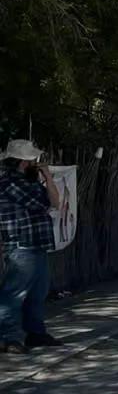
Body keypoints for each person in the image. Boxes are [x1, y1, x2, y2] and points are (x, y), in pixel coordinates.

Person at [0, 139, 61, 353]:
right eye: (33, 159)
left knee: (38, 291)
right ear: (24, 161)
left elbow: (55, 201)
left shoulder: (29, 180)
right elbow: (44, 203)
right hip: (20, 243)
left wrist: (48, 177)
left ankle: (35, 333)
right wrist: (45, 179)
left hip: (36, 242)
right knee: (14, 293)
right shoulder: (10, 181)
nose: (37, 161)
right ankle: (7, 337)